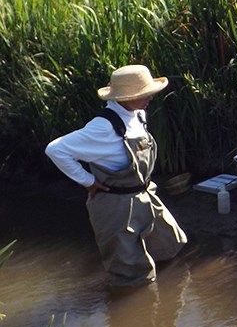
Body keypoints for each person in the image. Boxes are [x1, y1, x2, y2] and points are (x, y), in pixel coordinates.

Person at [45, 64, 188, 286]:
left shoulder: (137, 113)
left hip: (144, 195)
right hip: (115, 205)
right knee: (130, 274)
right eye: (143, 94)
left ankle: (168, 297)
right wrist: (88, 182)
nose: (150, 97)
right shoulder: (102, 127)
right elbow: (55, 149)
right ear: (124, 97)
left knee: (168, 243)